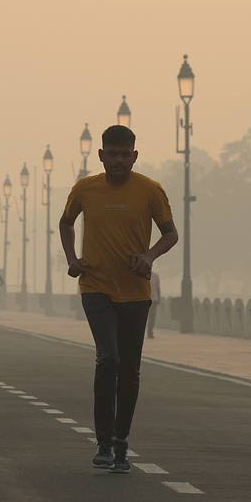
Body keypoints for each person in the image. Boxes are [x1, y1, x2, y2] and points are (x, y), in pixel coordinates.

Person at [59, 125, 178, 474]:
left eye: (126, 155)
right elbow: (66, 223)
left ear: (135, 156)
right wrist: (71, 258)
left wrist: (150, 256)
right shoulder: (85, 189)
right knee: (108, 358)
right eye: (112, 154)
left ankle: (121, 441)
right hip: (95, 286)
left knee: (129, 369)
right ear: (101, 155)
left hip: (136, 292)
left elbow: (171, 233)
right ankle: (104, 441)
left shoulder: (150, 190)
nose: (119, 161)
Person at [147, 271, 161, 339]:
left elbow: (158, 288)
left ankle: (150, 331)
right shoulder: (144, 274)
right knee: (147, 316)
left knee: (152, 317)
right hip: (146, 298)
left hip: (153, 299)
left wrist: (159, 298)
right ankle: (148, 331)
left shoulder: (155, 276)